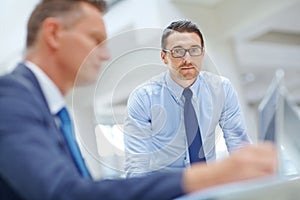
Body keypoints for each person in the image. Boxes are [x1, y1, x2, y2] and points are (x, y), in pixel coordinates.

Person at [0, 1, 277, 200]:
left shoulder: (50, 109)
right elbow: (64, 193)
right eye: (95, 39)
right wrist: (207, 176)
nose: (105, 54)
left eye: (195, 50)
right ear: (54, 33)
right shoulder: (11, 98)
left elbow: (78, 187)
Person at [124, 20, 251, 177]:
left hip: (209, 184)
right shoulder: (143, 98)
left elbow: (238, 144)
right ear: (164, 57)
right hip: (167, 190)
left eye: (194, 50)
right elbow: (136, 165)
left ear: (203, 53)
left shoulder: (221, 89)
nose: (188, 59)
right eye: (178, 52)